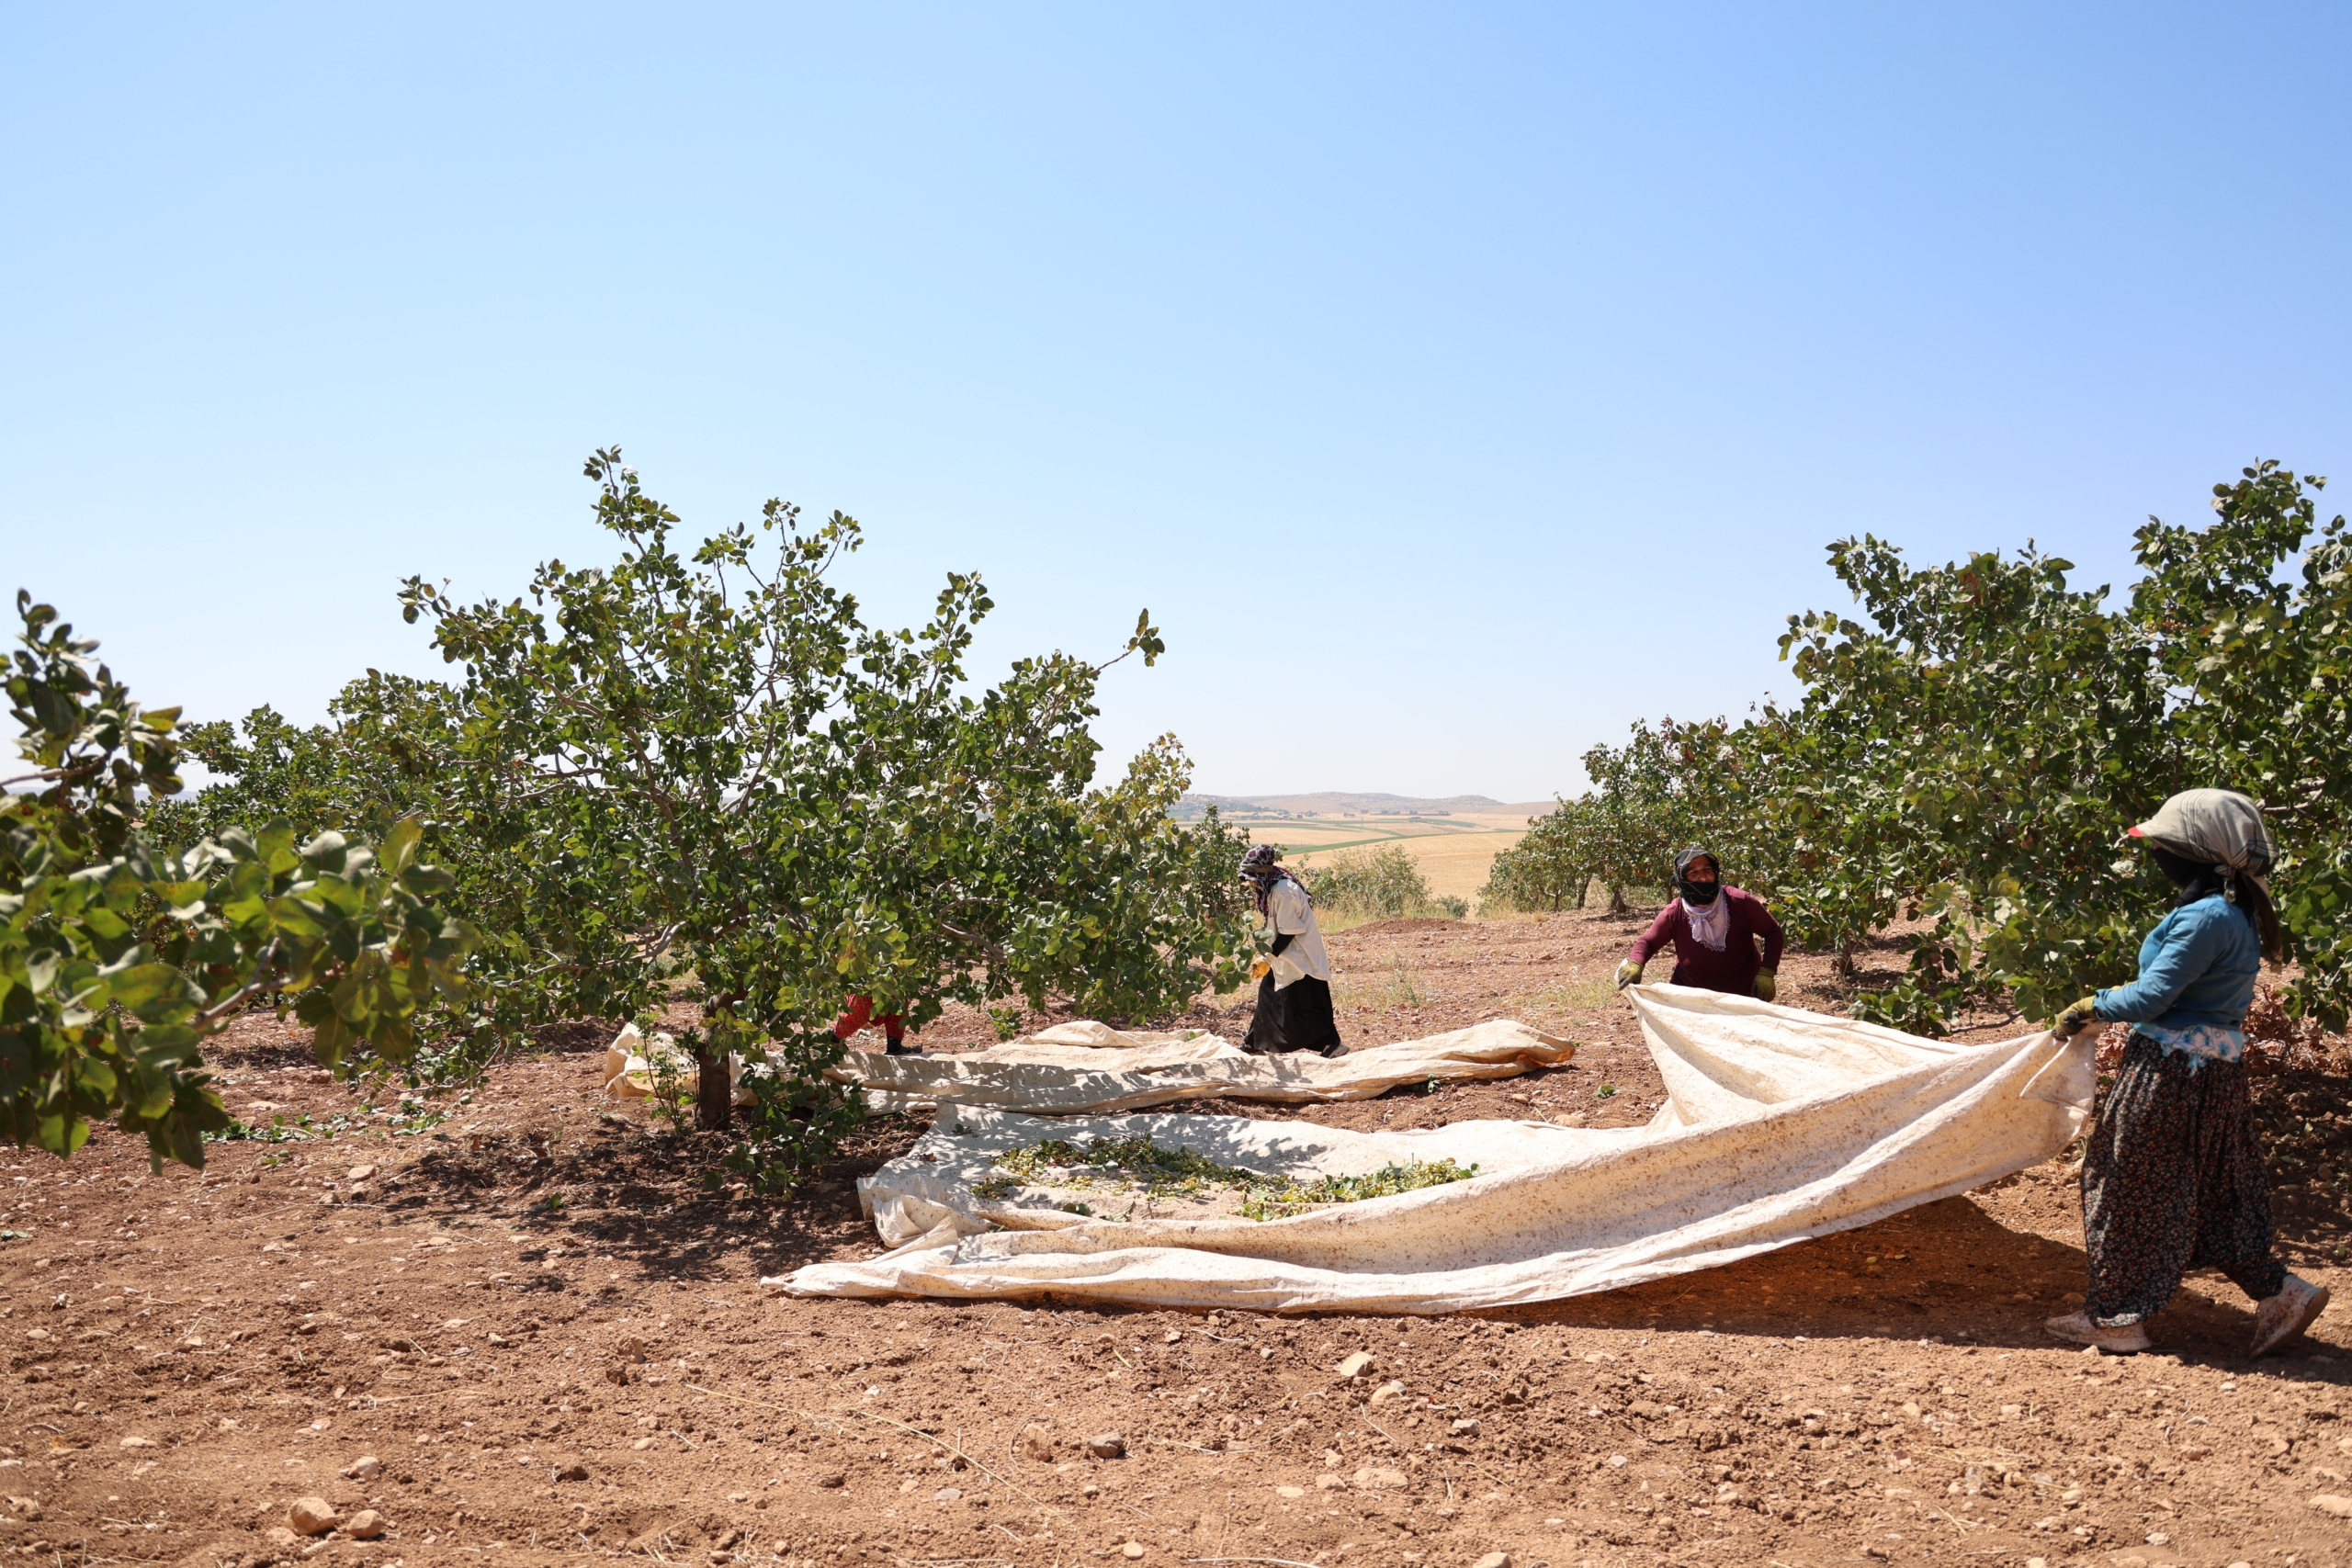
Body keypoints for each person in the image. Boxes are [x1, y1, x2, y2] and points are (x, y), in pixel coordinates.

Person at [2044, 787, 2328, 1358]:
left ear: (2193, 854)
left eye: (2166, 845)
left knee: (2125, 1186)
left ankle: (2117, 1321)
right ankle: (2282, 1293)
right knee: (2219, 1193)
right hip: (2216, 1075)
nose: (2158, 854)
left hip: (2169, 1074)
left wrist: (2090, 1006)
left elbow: (2151, 996)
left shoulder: (2205, 917)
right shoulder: (2235, 913)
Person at [1613, 849, 1784, 999]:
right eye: (1693, 872)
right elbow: (1648, 942)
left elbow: (1773, 932)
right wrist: (1636, 963)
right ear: (1682, 878)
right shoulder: (1675, 912)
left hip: (1742, 993)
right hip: (1692, 995)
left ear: (1716, 872)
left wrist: (1767, 973)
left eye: (1707, 869)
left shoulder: (1739, 902)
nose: (1702, 877)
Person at [1238, 844, 1345, 1058]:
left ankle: (1332, 1044)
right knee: (1268, 997)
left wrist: (1267, 958)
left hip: (1300, 957)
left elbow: (1288, 933)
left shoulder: (1283, 891)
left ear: (1262, 873)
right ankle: (1253, 1042)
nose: (1249, 882)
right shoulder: (1272, 888)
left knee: (1303, 1008)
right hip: (1284, 956)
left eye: (1251, 877)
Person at [833, 994, 913, 1055]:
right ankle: (834, 1039)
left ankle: (894, 1047)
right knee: (858, 1012)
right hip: (868, 985)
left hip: (892, 985)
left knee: (898, 1005)